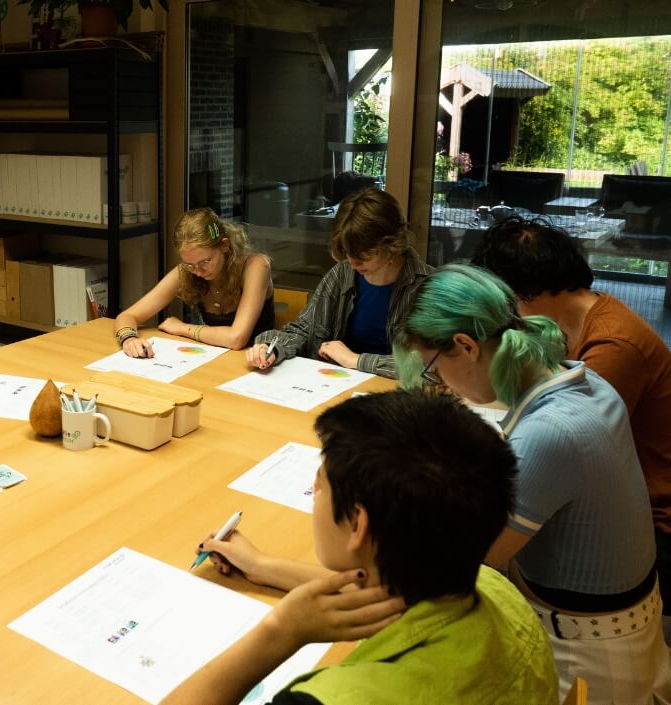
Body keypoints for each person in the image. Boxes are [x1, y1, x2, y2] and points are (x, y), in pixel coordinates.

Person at [160, 390, 558, 705]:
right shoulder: (490, 586)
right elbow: (380, 592)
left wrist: (280, 631)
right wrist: (263, 566)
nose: (314, 492)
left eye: (319, 484)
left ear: (357, 523)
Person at [395, 263, 671, 704]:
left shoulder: (549, 434)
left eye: (433, 368)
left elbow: (463, 566)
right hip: (629, 629)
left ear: (465, 347)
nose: (438, 383)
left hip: (588, 661)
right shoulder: (582, 379)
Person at [471, 215, 671, 628]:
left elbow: (558, 434)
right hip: (612, 490)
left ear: (522, 293)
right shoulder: (579, 323)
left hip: (649, 518)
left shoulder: (614, 345)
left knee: (481, 542)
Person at [246, 189, 430, 379]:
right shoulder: (343, 274)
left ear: (391, 244)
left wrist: (355, 360)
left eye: (363, 255)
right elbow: (304, 330)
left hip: (397, 395)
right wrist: (271, 348)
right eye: (348, 253)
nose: (353, 263)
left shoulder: (427, 288)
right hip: (337, 384)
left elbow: (430, 367)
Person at [113, 208, 273, 356]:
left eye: (205, 262)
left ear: (224, 245)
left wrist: (183, 328)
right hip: (217, 358)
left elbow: (236, 338)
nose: (197, 271)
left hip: (258, 364)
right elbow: (128, 315)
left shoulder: (256, 266)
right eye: (190, 264)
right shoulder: (189, 270)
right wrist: (129, 339)